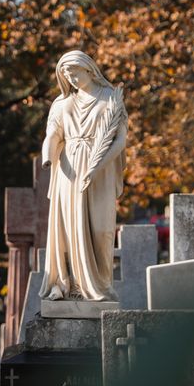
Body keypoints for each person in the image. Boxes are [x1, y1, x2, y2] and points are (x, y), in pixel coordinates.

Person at [39, 50, 128, 302]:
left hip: (101, 170)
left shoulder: (110, 98)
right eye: (67, 75)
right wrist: (48, 155)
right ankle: (66, 284)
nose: (71, 78)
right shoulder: (61, 103)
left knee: (102, 230)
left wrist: (98, 165)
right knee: (67, 229)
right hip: (69, 169)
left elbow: (120, 140)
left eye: (75, 72)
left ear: (89, 69)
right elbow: (54, 135)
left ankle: (99, 286)